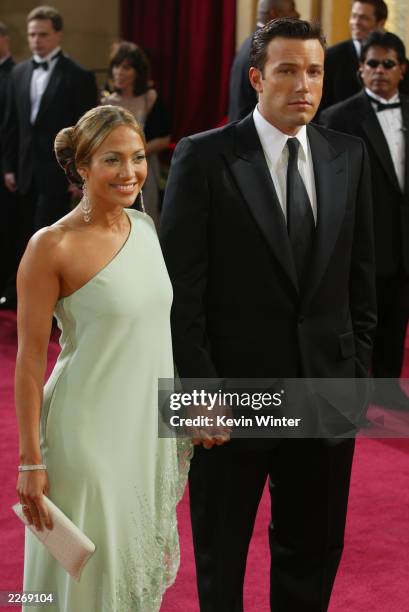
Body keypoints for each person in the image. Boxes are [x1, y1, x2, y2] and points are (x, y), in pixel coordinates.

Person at [161, 18, 376, 612]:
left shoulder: (347, 155)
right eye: (287, 70)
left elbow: (362, 281)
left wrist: (356, 378)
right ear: (257, 78)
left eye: (314, 71)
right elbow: (179, 293)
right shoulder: (202, 158)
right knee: (222, 554)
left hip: (325, 392)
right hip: (233, 397)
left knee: (313, 550)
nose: (303, 84)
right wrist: (196, 395)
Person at [15, 105, 191, 611]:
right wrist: (31, 458)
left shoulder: (146, 228)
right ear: (82, 167)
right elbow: (28, 363)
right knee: (89, 574)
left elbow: (158, 337)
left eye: (138, 157)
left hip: (142, 431)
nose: (130, 172)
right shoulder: (51, 246)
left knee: (131, 571)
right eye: (113, 159)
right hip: (84, 437)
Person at [320, 31, 409, 410]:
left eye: (388, 64)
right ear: (360, 69)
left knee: (396, 323)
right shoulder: (338, 117)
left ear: (402, 70)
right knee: (360, 324)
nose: (379, 71)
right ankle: (353, 397)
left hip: (405, 243)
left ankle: (388, 395)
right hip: (363, 241)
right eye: (372, 63)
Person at [1, 5, 98, 309]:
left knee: (49, 240)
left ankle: (51, 301)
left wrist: (79, 176)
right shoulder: (17, 72)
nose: (36, 41)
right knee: (21, 235)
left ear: (58, 34)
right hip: (23, 171)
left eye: (43, 34)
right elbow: (11, 124)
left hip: (58, 174)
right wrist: (8, 167)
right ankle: (19, 295)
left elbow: (85, 132)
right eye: (31, 35)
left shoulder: (79, 76)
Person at [101, 41, 171, 230]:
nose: (119, 72)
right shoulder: (106, 102)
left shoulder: (150, 98)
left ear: (138, 72)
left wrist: (133, 154)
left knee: (145, 221)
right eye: (116, 66)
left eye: (126, 67)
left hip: (144, 171)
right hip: (111, 173)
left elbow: (165, 139)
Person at [319, 0, 409, 114]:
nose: (356, 22)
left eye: (364, 18)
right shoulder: (330, 57)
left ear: (381, 23)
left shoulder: (399, 63)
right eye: (354, 16)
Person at [228, 0, 300, 122]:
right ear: (274, 13)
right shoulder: (264, 50)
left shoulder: (253, 43)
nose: (297, 15)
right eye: (292, 9)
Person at [0, 22, 16, 304]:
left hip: (8, 168)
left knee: (8, 229)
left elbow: (13, 127)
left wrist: (8, 166)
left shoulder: (16, 73)